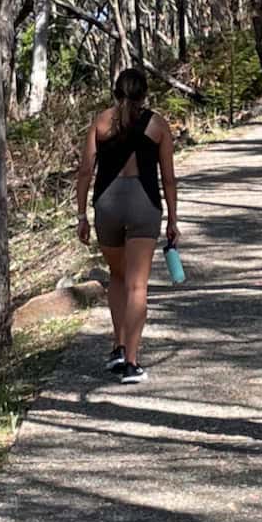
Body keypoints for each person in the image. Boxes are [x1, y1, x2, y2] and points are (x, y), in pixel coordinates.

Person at [75, 69, 178, 384]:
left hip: (107, 204)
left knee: (117, 277)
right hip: (143, 204)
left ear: (115, 92)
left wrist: (81, 215)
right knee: (138, 286)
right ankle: (131, 363)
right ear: (145, 94)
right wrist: (173, 218)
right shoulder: (158, 125)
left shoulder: (101, 122)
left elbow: (84, 172)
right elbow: (168, 178)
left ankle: (118, 347)